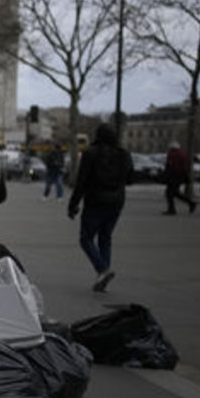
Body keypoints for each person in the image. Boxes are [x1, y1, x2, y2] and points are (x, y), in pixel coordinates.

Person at [67, 122, 133, 292]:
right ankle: (102, 274)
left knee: (86, 238)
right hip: (117, 202)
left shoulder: (90, 154)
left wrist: (73, 205)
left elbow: (81, 182)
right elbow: (130, 178)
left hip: (95, 201)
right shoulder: (124, 154)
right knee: (105, 237)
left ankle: (102, 269)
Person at [162, 141, 196, 215]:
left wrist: (165, 175)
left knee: (170, 193)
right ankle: (190, 203)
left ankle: (172, 209)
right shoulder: (183, 154)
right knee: (174, 192)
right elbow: (185, 166)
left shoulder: (171, 154)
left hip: (173, 176)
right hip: (180, 176)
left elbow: (169, 165)